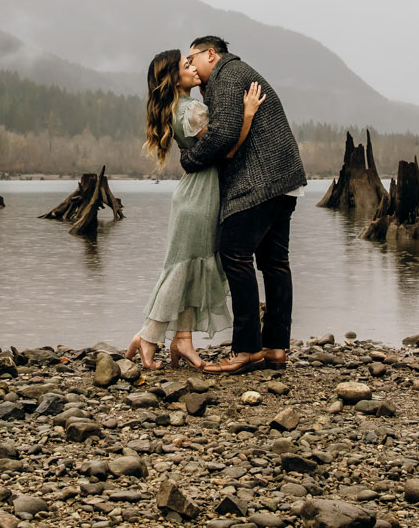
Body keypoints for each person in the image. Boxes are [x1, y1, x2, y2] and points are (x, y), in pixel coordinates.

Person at [128, 48, 265, 370]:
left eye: (191, 62)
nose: (192, 68)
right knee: (182, 270)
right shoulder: (191, 111)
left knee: (190, 270)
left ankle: (182, 340)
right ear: (173, 78)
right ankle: (147, 337)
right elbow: (226, 150)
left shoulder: (182, 107)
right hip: (199, 198)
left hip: (200, 196)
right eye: (185, 65)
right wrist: (246, 115)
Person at [178, 35, 306, 374]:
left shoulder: (227, 75)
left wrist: (189, 160)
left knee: (234, 253)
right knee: (275, 263)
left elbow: (222, 134)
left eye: (192, 59)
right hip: (286, 179)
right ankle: (275, 347)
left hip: (258, 183)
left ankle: (247, 349)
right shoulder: (236, 75)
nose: (191, 66)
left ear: (210, 54)